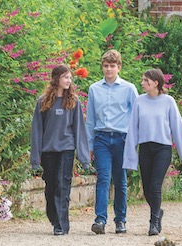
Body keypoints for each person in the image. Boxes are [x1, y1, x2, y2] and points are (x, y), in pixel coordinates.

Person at [123, 68, 182, 237]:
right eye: (142, 80)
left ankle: (154, 222)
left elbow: (178, 129)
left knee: (155, 186)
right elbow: (133, 129)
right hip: (145, 148)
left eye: (146, 81)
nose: (142, 83)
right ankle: (158, 211)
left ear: (156, 83)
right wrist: (130, 156)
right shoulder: (139, 102)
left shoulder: (168, 102)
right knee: (147, 188)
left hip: (162, 148)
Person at [30, 64, 91, 236]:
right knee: (51, 187)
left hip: (66, 149)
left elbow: (79, 129)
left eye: (70, 78)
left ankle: (61, 224)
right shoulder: (43, 102)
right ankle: (54, 217)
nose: (69, 81)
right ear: (56, 79)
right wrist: (35, 158)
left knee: (63, 186)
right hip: (48, 151)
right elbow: (37, 130)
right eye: (66, 77)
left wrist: (84, 157)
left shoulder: (73, 102)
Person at [85, 49, 137, 234]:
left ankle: (120, 220)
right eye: (106, 66)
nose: (109, 70)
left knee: (120, 180)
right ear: (102, 67)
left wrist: (133, 143)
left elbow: (135, 117)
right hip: (101, 138)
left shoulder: (129, 89)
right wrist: (90, 145)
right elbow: (90, 119)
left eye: (112, 66)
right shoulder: (94, 89)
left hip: (122, 139)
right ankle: (100, 220)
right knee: (103, 178)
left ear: (119, 67)